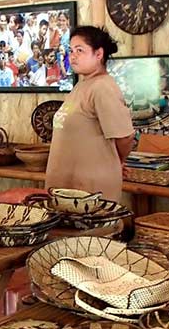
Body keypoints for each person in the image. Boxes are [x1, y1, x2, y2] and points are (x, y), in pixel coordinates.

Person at [45, 26, 134, 203]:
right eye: (71, 50)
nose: (73, 55)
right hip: (66, 188)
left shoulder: (102, 87)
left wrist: (117, 161)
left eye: (80, 50)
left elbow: (125, 136)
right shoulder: (82, 85)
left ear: (99, 54)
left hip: (90, 191)